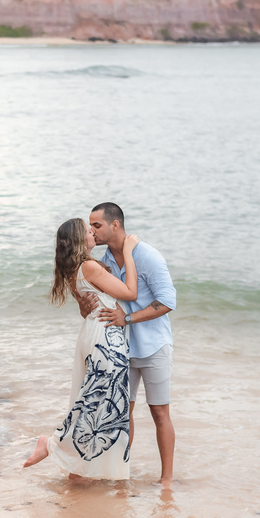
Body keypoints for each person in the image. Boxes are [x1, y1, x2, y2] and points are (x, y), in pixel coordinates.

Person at [24, 218, 139, 480]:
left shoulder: (74, 269)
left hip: (94, 334)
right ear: (79, 239)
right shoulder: (89, 267)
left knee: (94, 402)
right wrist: (129, 252)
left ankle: (79, 471)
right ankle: (51, 443)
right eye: (88, 230)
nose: (93, 233)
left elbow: (88, 306)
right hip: (105, 338)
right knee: (99, 403)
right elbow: (130, 292)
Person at [80, 202, 177, 485]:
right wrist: (84, 305)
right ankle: (122, 474)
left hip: (154, 346)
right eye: (90, 226)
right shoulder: (102, 263)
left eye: (97, 225)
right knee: (123, 412)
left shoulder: (148, 256)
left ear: (115, 225)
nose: (92, 231)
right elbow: (97, 304)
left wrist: (128, 319)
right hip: (120, 348)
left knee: (159, 412)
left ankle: (166, 480)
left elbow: (167, 301)